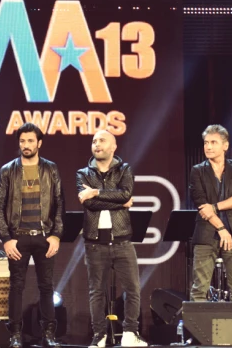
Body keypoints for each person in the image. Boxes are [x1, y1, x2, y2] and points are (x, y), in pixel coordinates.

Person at [0, 123, 65, 348]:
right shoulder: (8, 170)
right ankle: (15, 334)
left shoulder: (51, 168)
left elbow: (59, 203)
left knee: (46, 286)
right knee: (16, 286)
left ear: (39, 143)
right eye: (23, 141)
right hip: (19, 238)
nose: (26, 145)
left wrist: (56, 235)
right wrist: (6, 238)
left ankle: (49, 334)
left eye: (30, 141)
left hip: (44, 237)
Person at [77, 130, 146, 348]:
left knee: (133, 289)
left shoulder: (125, 169)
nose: (97, 144)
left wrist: (96, 193)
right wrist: (119, 201)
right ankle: (99, 336)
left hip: (122, 241)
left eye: (102, 141)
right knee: (96, 291)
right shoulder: (82, 173)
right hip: (95, 243)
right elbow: (89, 205)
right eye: (94, 141)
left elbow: (124, 193)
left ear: (113, 146)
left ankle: (129, 333)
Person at [189, 125, 232, 301]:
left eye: (213, 142)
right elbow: (201, 203)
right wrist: (221, 228)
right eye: (206, 142)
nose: (208, 146)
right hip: (206, 233)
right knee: (199, 290)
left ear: (225, 146)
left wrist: (215, 207)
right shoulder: (197, 170)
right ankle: (197, 329)